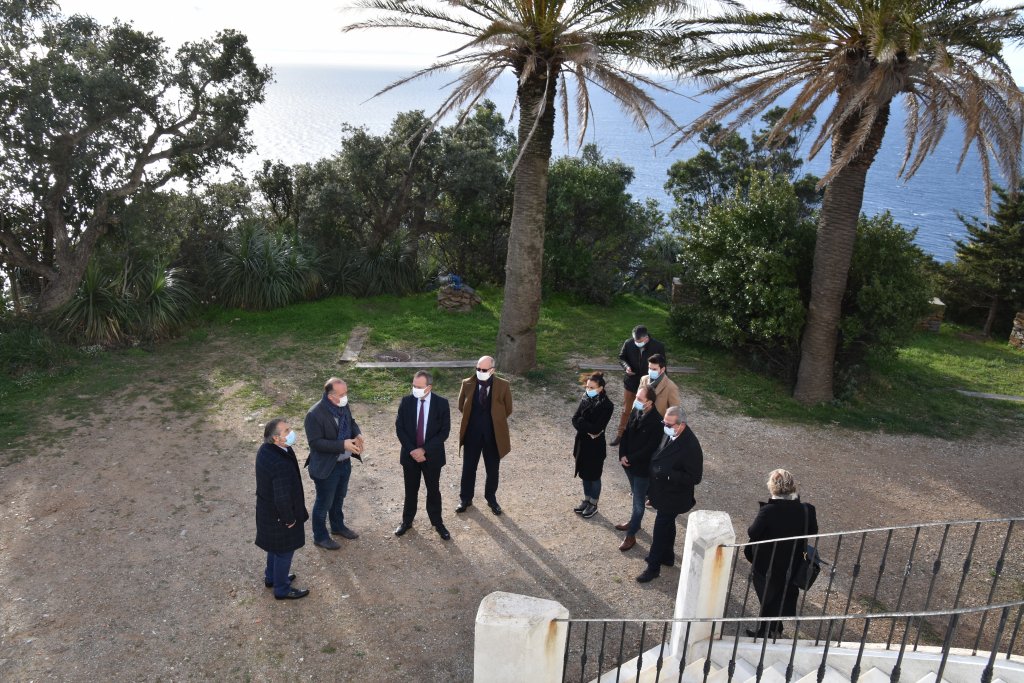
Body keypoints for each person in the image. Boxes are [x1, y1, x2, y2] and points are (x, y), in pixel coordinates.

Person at [743, 469, 819, 638]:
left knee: (767, 595)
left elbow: (753, 533)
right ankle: (774, 628)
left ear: (773, 488)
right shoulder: (807, 510)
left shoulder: (768, 511)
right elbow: (812, 530)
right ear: (792, 487)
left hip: (767, 563)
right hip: (794, 561)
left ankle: (766, 630)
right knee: (780, 594)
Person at [636, 405, 703, 583]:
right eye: (664, 422)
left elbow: (695, 477)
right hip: (662, 491)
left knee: (660, 528)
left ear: (681, 425)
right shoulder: (671, 433)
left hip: (674, 496)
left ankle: (653, 566)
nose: (664, 426)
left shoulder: (690, 446)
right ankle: (668, 556)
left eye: (669, 424)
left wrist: (667, 473)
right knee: (667, 523)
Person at [305, 378, 364, 550]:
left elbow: (351, 422)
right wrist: (342, 445)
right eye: (342, 394)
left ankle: (337, 526)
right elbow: (315, 443)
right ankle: (320, 536)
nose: (346, 397)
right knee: (324, 502)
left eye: (346, 393)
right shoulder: (314, 414)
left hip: (344, 463)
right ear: (331, 396)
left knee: (339, 497)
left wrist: (358, 434)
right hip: (326, 467)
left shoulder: (342, 405)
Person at [255, 418, 310, 600]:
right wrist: (290, 519)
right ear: (276, 439)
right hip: (279, 517)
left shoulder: (266, 450)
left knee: (275, 548)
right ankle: (282, 588)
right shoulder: (280, 463)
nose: (291, 432)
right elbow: (282, 497)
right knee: (284, 551)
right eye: (286, 431)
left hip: (267, 513)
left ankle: (272, 577)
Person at [394, 370, 452, 540]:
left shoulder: (441, 403)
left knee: (433, 490)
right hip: (410, 455)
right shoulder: (406, 402)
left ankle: (437, 522)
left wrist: (424, 450)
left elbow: (444, 432)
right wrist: (413, 450)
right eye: (413, 385)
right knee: (410, 490)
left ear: (429, 387)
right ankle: (407, 521)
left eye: (419, 387)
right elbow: (400, 428)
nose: (415, 389)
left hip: (432, 456)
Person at [456, 355, 513, 515]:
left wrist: (494, 421)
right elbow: (461, 405)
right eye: (478, 369)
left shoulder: (503, 385)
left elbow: (508, 409)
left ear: (492, 370)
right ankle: (465, 499)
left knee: (492, 470)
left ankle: (491, 498)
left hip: (493, 435)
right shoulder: (467, 383)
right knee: (468, 468)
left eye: (484, 369)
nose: (480, 372)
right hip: (472, 434)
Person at [614, 385, 662, 551]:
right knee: (635, 495)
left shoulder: (657, 422)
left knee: (638, 502)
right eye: (637, 398)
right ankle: (635, 522)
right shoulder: (636, 410)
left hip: (641, 468)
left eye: (640, 399)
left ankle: (631, 534)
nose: (636, 401)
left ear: (649, 403)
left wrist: (630, 458)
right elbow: (626, 433)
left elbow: (650, 448)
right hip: (628, 463)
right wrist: (622, 454)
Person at [611, 325, 666, 446]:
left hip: (648, 386)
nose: (635, 343)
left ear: (646, 338)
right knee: (626, 410)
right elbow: (621, 357)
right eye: (634, 340)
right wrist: (626, 367)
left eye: (638, 341)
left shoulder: (658, 346)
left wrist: (657, 386)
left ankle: (640, 437)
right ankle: (620, 434)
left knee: (646, 411)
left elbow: (662, 367)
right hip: (631, 382)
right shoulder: (629, 343)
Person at [571, 372, 614, 519]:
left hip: (595, 447)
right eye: (587, 386)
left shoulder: (607, 405)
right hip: (583, 443)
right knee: (584, 475)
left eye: (592, 387)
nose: (588, 389)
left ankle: (594, 503)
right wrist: (585, 425)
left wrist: (582, 423)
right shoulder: (585, 398)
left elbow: (597, 428)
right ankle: (587, 499)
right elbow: (574, 419)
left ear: (601, 388)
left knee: (594, 476)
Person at [636, 353, 681, 419]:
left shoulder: (671, 387)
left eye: (654, 369)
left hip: (657, 424)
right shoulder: (644, 379)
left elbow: (674, 411)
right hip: (641, 418)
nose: (650, 371)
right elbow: (637, 399)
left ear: (662, 369)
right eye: (649, 368)